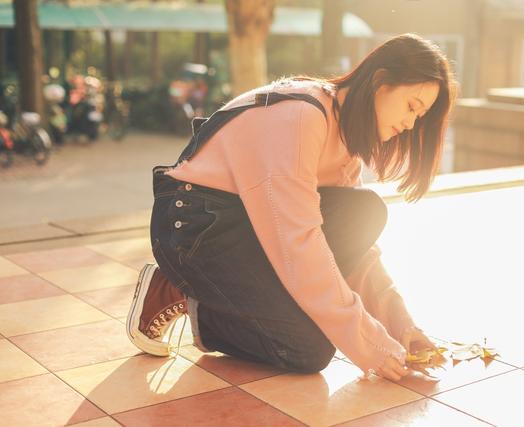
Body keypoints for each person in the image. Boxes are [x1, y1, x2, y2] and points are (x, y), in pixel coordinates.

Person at [126, 33, 457, 382]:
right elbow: (298, 243)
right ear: (380, 81)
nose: (410, 124)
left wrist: (400, 327)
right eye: (412, 107)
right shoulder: (301, 116)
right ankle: (175, 288)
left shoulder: (346, 139)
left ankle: (209, 300)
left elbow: (356, 253)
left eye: (420, 117)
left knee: (362, 213)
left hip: (244, 226)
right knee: (308, 348)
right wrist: (370, 344)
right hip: (193, 227)